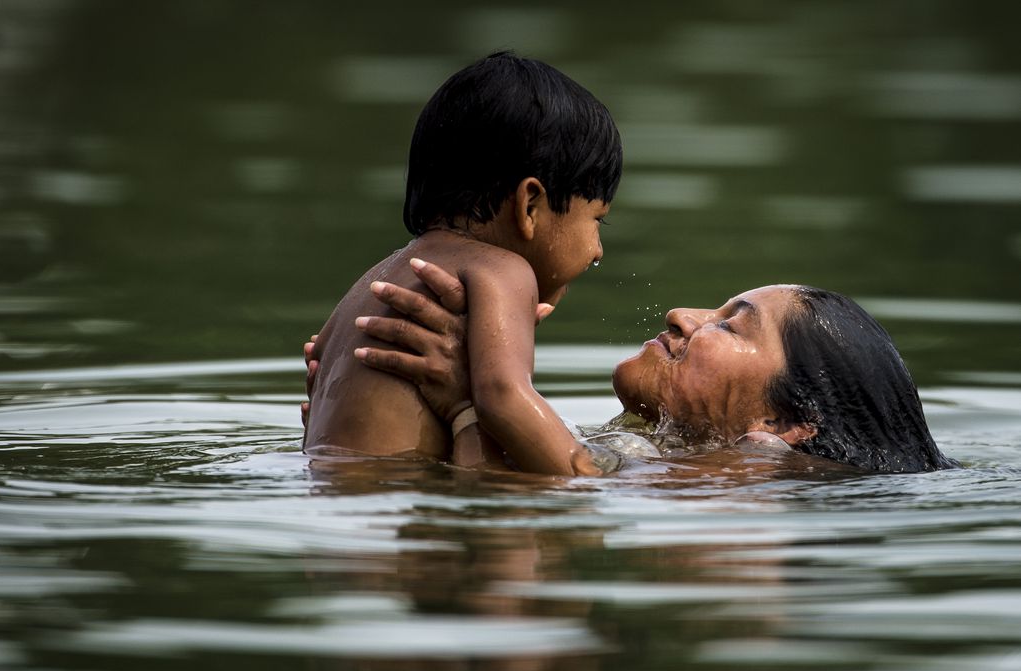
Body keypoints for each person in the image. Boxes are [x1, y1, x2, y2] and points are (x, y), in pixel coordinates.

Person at [304, 52, 622, 476]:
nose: (598, 250)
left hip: (328, 503)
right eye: (597, 220)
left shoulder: (373, 280)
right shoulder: (504, 271)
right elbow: (501, 396)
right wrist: (583, 471)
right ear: (530, 204)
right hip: (402, 507)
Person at [331, 260, 958, 474]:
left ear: (784, 420)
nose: (683, 315)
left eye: (731, 323)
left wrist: (470, 400)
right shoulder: (680, 461)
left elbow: (510, 516)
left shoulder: (738, 483)